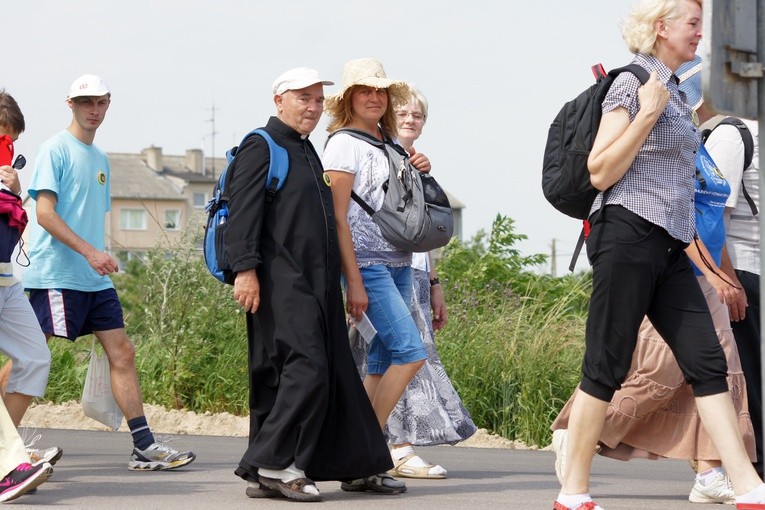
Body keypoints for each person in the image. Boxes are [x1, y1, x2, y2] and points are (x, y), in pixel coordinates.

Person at [553, 0, 765, 508]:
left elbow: (680, 192)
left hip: (669, 244)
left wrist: (712, 269)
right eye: (693, 24)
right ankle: (573, 491)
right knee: (605, 364)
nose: (700, 34)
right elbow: (601, 171)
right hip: (625, 235)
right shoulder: (632, 85)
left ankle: (748, 487)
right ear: (661, 27)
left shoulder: (675, 92)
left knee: (707, 363)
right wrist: (645, 114)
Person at [226, 67, 395, 502]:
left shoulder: (306, 151)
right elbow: (242, 212)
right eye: (304, 98)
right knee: (308, 366)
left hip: (316, 283)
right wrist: (245, 270)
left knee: (320, 370)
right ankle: (272, 463)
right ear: (279, 100)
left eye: (319, 100)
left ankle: (357, 465)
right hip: (278, 281)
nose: (314, 107)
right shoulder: (260, 145)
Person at [22, 75, 195, 471]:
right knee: (30, 357)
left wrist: (98, 257)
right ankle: (4, 445)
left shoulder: (100, 159)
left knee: (123, 352)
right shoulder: (54, 150)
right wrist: (89, 253)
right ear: (70, 104)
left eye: (100, 102)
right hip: (56, 275)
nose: (93, 110)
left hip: (93, 277)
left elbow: (90, 218)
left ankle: (143, 445)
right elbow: (44, 215)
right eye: (85, 102)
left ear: (108, 103)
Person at [322, 58, 429, 493]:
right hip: (366, 262)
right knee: (411, 351)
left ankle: (356, 459)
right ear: (349, 99)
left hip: (400, 261)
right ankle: (366, 452)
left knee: (384, 358)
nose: (374, 97)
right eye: (365, 91)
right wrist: (355, 281)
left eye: (380, 92)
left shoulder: (387, 141)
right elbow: (338, 219)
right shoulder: (342, 145)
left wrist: (418, 166)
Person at [378, 87, 476, 478]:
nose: (410, 119)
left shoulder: (415, 163)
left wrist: (435, 282)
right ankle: (396, 446)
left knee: (406, 356)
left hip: (414, 270)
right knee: (402, 355)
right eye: (402, 112)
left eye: (418, 114)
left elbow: (422, 231)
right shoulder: (379, 155)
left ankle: (387, 445)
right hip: (383, 267)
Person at [0, 89, 57, 501]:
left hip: (6, 279)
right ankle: (7, 465)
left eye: (11, 139)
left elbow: (13, 223)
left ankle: (10, 457)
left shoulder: (6, 167)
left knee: (36, 357)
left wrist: (15, 190)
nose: (8, 146)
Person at [708, 114, 762, 479]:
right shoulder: (733, 136)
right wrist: (727, 281)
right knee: (750, 380)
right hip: (742, 273)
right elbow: (712, 217)